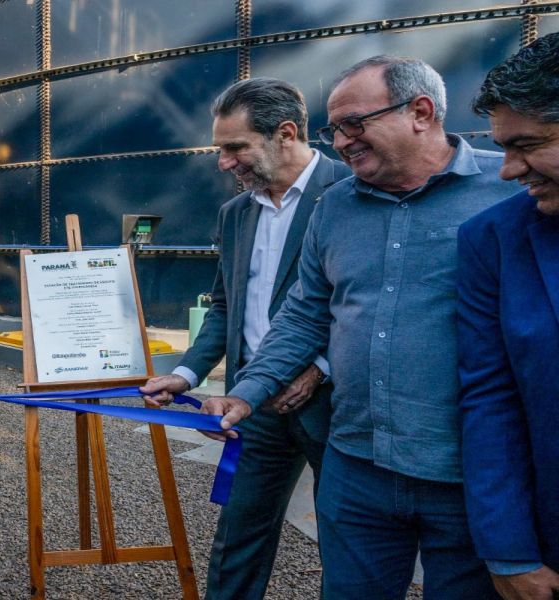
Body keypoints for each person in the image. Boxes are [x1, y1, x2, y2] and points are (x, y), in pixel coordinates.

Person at [199, 56, 519, 599]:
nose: (342, 142)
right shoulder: (336, 206)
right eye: (334, 128)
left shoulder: (510, 190)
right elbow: (305, 314)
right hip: (357, 467)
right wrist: (247, 393)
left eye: (355, 125)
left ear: (421, 112)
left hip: (468, 475)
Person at [141, 77, 347, 599]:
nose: (223, 163)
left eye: (235, 148)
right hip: (251, 405)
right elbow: (225, 307)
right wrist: (186, 374)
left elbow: (366, 306)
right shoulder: (235, 213)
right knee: (238, 539)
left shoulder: (350, 194)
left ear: (285, 133)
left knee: (349, 546)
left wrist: (319, 366)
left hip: (335, 405)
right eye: (220, 149)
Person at [458, 33, 559, 600]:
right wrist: (509, 550)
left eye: (528, 146)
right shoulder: (493, 241)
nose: (507, 170)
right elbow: (490, 401)